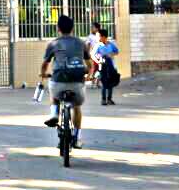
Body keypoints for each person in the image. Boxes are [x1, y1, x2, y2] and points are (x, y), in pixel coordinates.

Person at [40, 14, 90, 148]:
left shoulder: (53, 44)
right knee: (76, 107)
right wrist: (88, 75)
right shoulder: (81, 43)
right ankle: (77, 138)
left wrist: (43, 74)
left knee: (53, 89)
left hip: (58, 81)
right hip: (77, 83)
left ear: (58, 28)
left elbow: (45, 64)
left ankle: (54, 113)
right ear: (73, 28)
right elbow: (89, 65)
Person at [93, 27, 120, 105]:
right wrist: (99, 58)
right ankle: (103, 99)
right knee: (104, 83)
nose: (98, 38)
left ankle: (109, 99)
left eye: (99, 36)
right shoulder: (98, 46)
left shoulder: (111, 45)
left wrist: (111, 54)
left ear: (104, 37)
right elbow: (94, 55)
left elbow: (117, 51)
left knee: (111, 82)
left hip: (111, 66)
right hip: (102, 66)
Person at [85, 21, 102, 86]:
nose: (92, 28)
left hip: (100, 55)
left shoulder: (100, 35)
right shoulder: (90, 36)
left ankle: (97, 82)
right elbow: (87, 45)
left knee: (99, 69)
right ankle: (93, 82)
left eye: (93, 27)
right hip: (93, 55)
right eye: (92, 27)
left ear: (97, 28)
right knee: (94, 69)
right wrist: (88, 54)